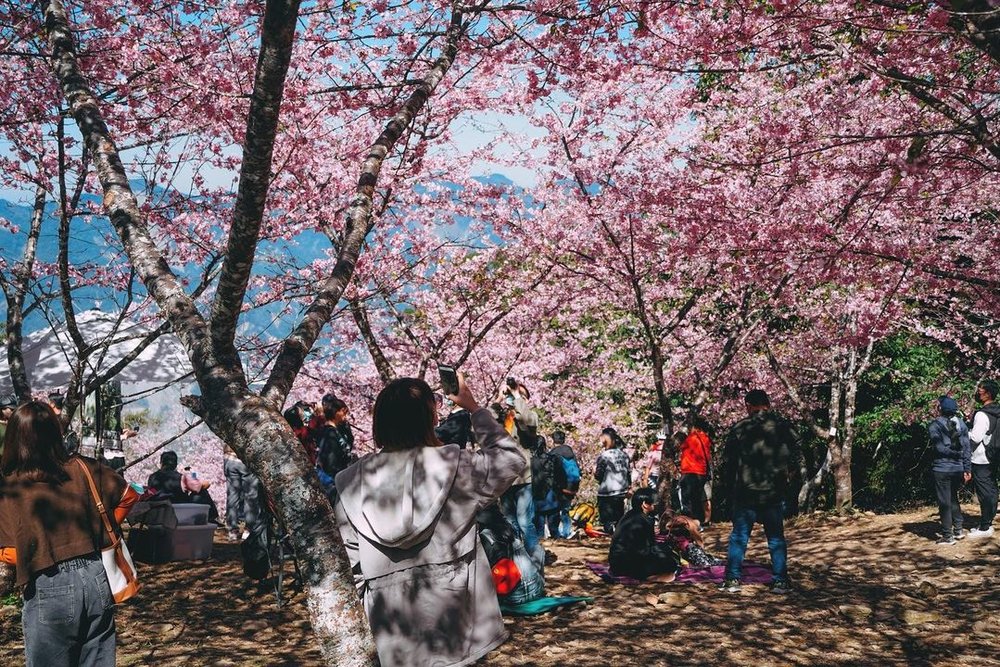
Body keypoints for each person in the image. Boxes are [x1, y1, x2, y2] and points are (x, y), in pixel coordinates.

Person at [334, 375, 527, 667]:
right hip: (457, 611)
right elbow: (511, 459)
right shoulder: (457, 466)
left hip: (390, 621)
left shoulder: (352, 482)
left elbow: (350, 561)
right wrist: (474, 408)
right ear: (430, 419)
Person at [0, 400, 140, 666]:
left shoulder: (9, 487)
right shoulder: (83, 467)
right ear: (55, 433)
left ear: (14, 436)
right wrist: (101, 530)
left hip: (47, 581)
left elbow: (11, 553)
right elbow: (129, 495)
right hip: (95, 574)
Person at [719, 389, 801, 594]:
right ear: (768, 404)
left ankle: (732, 579)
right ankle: (780, 580)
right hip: (773, 492)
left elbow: (728, 463)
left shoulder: (740, 428)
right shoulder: (784, 427)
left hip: (745, 492)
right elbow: (796, 457)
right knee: (776, 538)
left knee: (739, 537)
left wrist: (729, 489)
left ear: (748, 405)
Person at [496, 378, 544, 570]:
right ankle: (519, 563)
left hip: (523, 477)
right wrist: (498, 399)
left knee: (525, 522)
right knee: (509, 522)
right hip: (504, 477)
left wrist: (517, 396)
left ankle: (536, 564)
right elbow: (479, 426)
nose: (512, 398)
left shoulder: (528, 416)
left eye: (518, 396)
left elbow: (528, 423)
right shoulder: (501, 418)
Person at [608, 488, 678, 582]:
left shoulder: (630, 515)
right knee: (670, 561)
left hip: (615, 563)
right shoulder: (642, 521)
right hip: (626, 565)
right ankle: (650, 576)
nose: (658, 506)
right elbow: (646, 550)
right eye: (656, 503)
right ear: (645, 504)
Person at [928, 395, 972, 545]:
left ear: (940, 408)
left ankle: (947, 536)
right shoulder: (961, 424)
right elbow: (967, 448)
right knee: (953, 498)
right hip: (958, 468)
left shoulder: (934, 425)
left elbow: (939, 448)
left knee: (944, 501)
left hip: (942, 468)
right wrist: (967, 468)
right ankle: (958, 530)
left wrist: (955, 454)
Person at [968, 380, 1000, 539]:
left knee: (984, 492)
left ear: (987, 394)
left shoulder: (982, 414)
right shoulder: (997, 411)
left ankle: (985, 527)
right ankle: (987, 522)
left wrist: (964, 432)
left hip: (981, 457)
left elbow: (975, 437)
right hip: (994, 455)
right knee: (992, 488)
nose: (977, 394)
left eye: (979, 391)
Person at [315, 396, 355, 506]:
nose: (345, 416)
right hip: (334, 484)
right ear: (336, 412)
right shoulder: (329, 434)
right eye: (343, 412)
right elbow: (330, 463)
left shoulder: (336, 430)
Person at [595, 426, 631, 534]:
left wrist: (595, 474)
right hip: (621, 490)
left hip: (607, 491)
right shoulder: (624, 455)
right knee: (619, 515)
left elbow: (599, 475)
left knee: (607, 518)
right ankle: (619, 532)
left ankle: (609, 532)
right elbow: (628, 472)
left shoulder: (604, 456)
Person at [223, 445, 262, 542]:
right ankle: (248, 530)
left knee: (232, 496)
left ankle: (232, 530)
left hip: (229, 460)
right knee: (250, 497)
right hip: (244, 460)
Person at [678, 419, 712, 525]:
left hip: (690, 471)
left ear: (695, 427)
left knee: (687, 499)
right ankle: (698, 522)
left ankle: (689, 522)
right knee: (696, 498)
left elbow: (680, 446)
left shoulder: (691, 438)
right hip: (702, 472)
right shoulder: (706, 438)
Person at [548, 430, 580, 539]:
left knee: (555, 510)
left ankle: (556, 534)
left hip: (560, 486)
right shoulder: (570, 452)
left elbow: (553, 471)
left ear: (553, 440)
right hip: (572, 485)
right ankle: (566, 532)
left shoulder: (553, 453)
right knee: (566, 510)